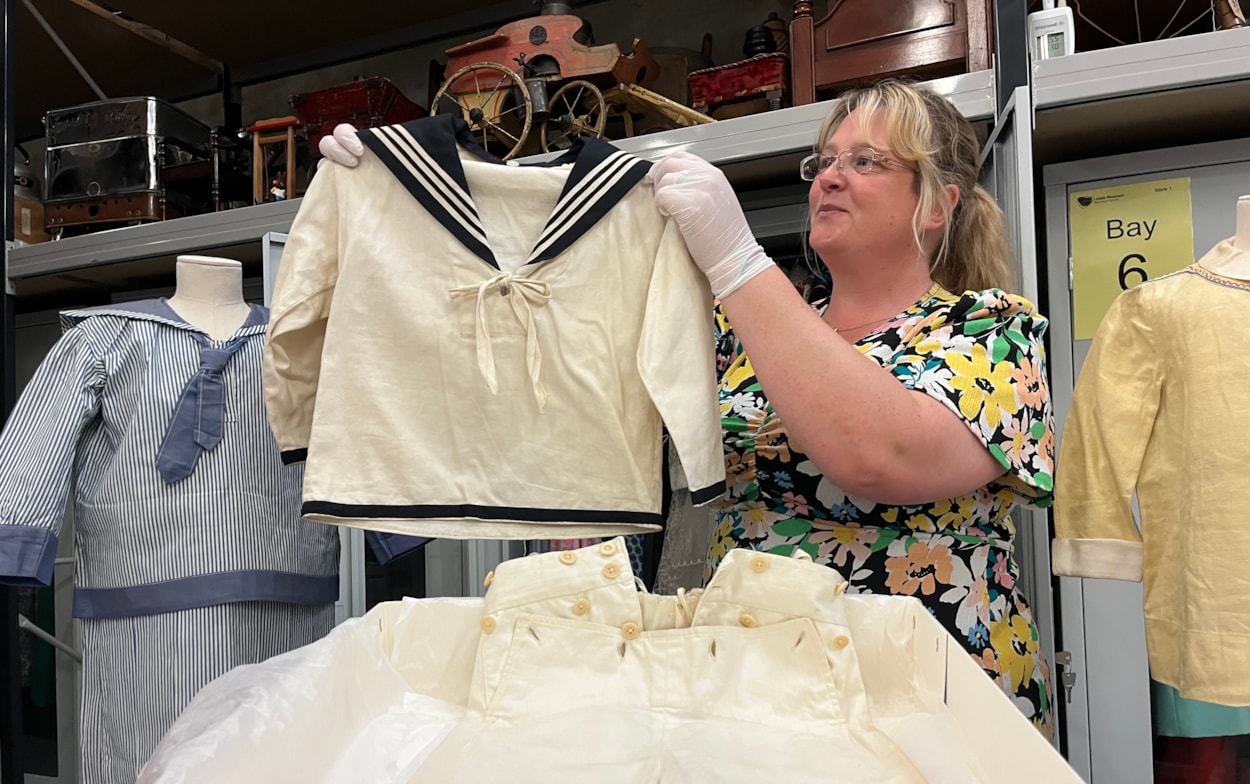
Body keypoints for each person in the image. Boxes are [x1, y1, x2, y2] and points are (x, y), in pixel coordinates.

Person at [317, 79, 1056, 734]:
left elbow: (882, 454)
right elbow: (545, 359)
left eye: (865, 161)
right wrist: (397, 195)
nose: (830, 177)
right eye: (824, 160)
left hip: (925, 701)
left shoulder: (991, 332)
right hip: (761, 689)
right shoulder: (745, 333)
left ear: (938, 205)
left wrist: (737, 259)